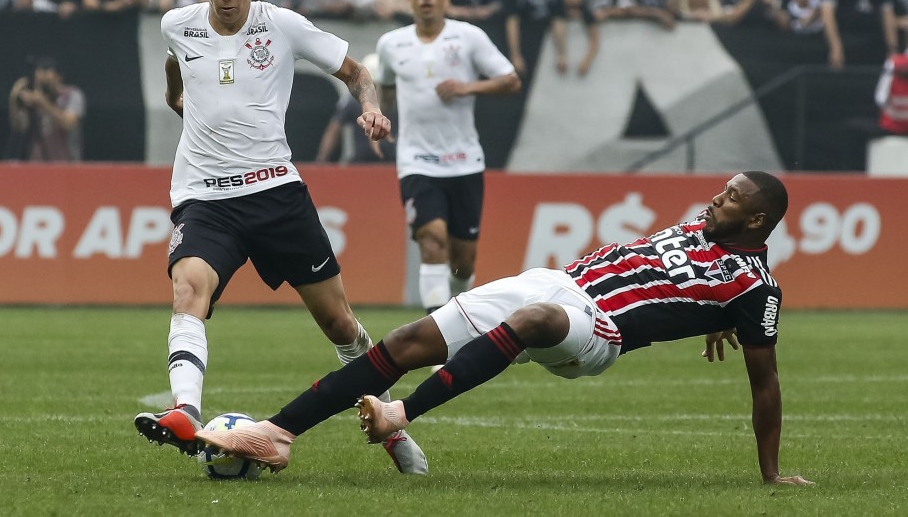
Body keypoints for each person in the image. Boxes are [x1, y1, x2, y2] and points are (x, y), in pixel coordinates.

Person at [196, 172, 814, 487]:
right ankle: (274, 435)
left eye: (730, 197)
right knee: (409, 340)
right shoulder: (701, 231)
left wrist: (770, 473)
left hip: (596, 331)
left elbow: (766, 381)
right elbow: (690, 285)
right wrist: (714, 322)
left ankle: (400, 415)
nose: (715, 199)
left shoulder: (757, 288)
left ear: (756, 218)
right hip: (555, 279)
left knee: (534, 322)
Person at [132, 0, 428, 476]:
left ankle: (389, 425)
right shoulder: (179, 25)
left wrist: (370, 107)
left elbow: (357, 71)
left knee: (340, 325)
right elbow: (176, 63)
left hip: (276, 195)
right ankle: (184, 412)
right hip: (206, 197)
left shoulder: (281, 25)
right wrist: (177, 97)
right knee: (187, 289)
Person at [374, 0, 521, 322]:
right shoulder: (391, 44)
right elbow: (387, 88)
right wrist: (380, 119)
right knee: (432, 240)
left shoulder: (469, 37)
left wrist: (467, 87)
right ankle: (439, 336)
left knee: (462, 261)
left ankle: (461, 316)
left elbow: (510, 80)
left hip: (464, 161)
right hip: (417, 161)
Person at [5, 56, 86, 161]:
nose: (42, 75)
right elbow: (18, 125)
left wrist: (43, 103)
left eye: (46, 70)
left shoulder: (72, 95)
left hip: (67, 165)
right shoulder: (34, 98)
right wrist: (14, 98)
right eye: (39, 71)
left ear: (58, 76)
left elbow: (69, 122)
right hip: (38, 166)